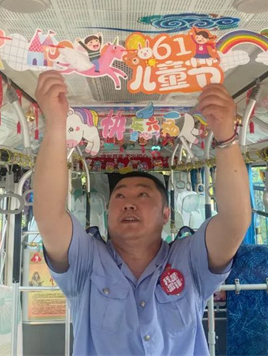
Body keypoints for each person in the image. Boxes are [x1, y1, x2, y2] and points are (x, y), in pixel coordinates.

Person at [32, 70, 251, 356]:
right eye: (120, 195)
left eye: (143, 195)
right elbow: (49, 215)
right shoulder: (87, 262)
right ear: (107, 212)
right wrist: (56, 124)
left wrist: (225, 136)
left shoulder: (190, 260)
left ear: (166, 214)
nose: (129, 203)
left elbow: (235, 221)